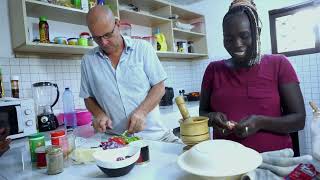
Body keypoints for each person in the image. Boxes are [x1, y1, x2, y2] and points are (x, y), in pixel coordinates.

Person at [199, 0, 306, 153]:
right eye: (228, 39)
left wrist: (261, 122)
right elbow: (202, 112)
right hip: (224, 160)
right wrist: (212, 118)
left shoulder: (279, 64)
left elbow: (299, 120)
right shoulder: (213, 70)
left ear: (258, 32)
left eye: (244, 36)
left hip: (272, 161)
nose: (237, 44)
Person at [80, 5, 179, 142]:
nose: (103, 42)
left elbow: (159, 87)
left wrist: (142, 112)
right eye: (97, 38)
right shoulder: (88, 61)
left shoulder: (143, 48)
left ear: (117, 24)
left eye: (107, 34)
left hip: (155, 136)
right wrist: (99, 114)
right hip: (115, 141)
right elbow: (87, 97)